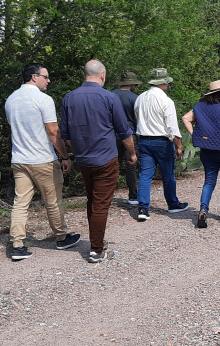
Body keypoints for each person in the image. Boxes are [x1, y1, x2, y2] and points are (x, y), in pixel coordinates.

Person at [59, 60, 137, 263]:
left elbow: (65, 135)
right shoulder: (109, 97)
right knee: (101, 204)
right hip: (105, 158)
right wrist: (132, 152)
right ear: (102, 75)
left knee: (92, 200)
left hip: (83, 159)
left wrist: (78, 148)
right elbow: (124, 131)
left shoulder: (69, 98)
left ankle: (97, 240)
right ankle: (96, 249)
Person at [5, 63, 81, 261]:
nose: (48, 80)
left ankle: (17, 245)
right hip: (43, 159)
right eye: (46, 77)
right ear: (34, 77)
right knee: (53, 200)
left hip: (19, 159)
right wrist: (65, 156)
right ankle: (61, 237)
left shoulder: (11, 99)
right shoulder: (43, 99)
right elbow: (53, 131)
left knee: (20, 203)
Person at [182, 80, 220, 228]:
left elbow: (185, 118)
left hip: (207, 149)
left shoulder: (200, 106)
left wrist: (195, 135)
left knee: (209, 181)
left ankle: (203, 209)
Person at [133, 68, 190, 222]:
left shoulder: (140, 98)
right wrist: (179, 146)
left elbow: (137, 118)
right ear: (163, 83)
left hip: (143, 140)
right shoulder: (166, 101)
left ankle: (143, 207)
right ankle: (172, 204)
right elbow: (172, 127)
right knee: (168, 174)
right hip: (162, 142)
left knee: (145, 175)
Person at [111, 71, 143, 205]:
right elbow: (139, 118)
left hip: (112, 135)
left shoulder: (110, 95)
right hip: (130, 134)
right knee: (131, 165)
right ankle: (133, 196)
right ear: (133, 84)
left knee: (112, 165)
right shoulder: (135, 98)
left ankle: (108, 194)